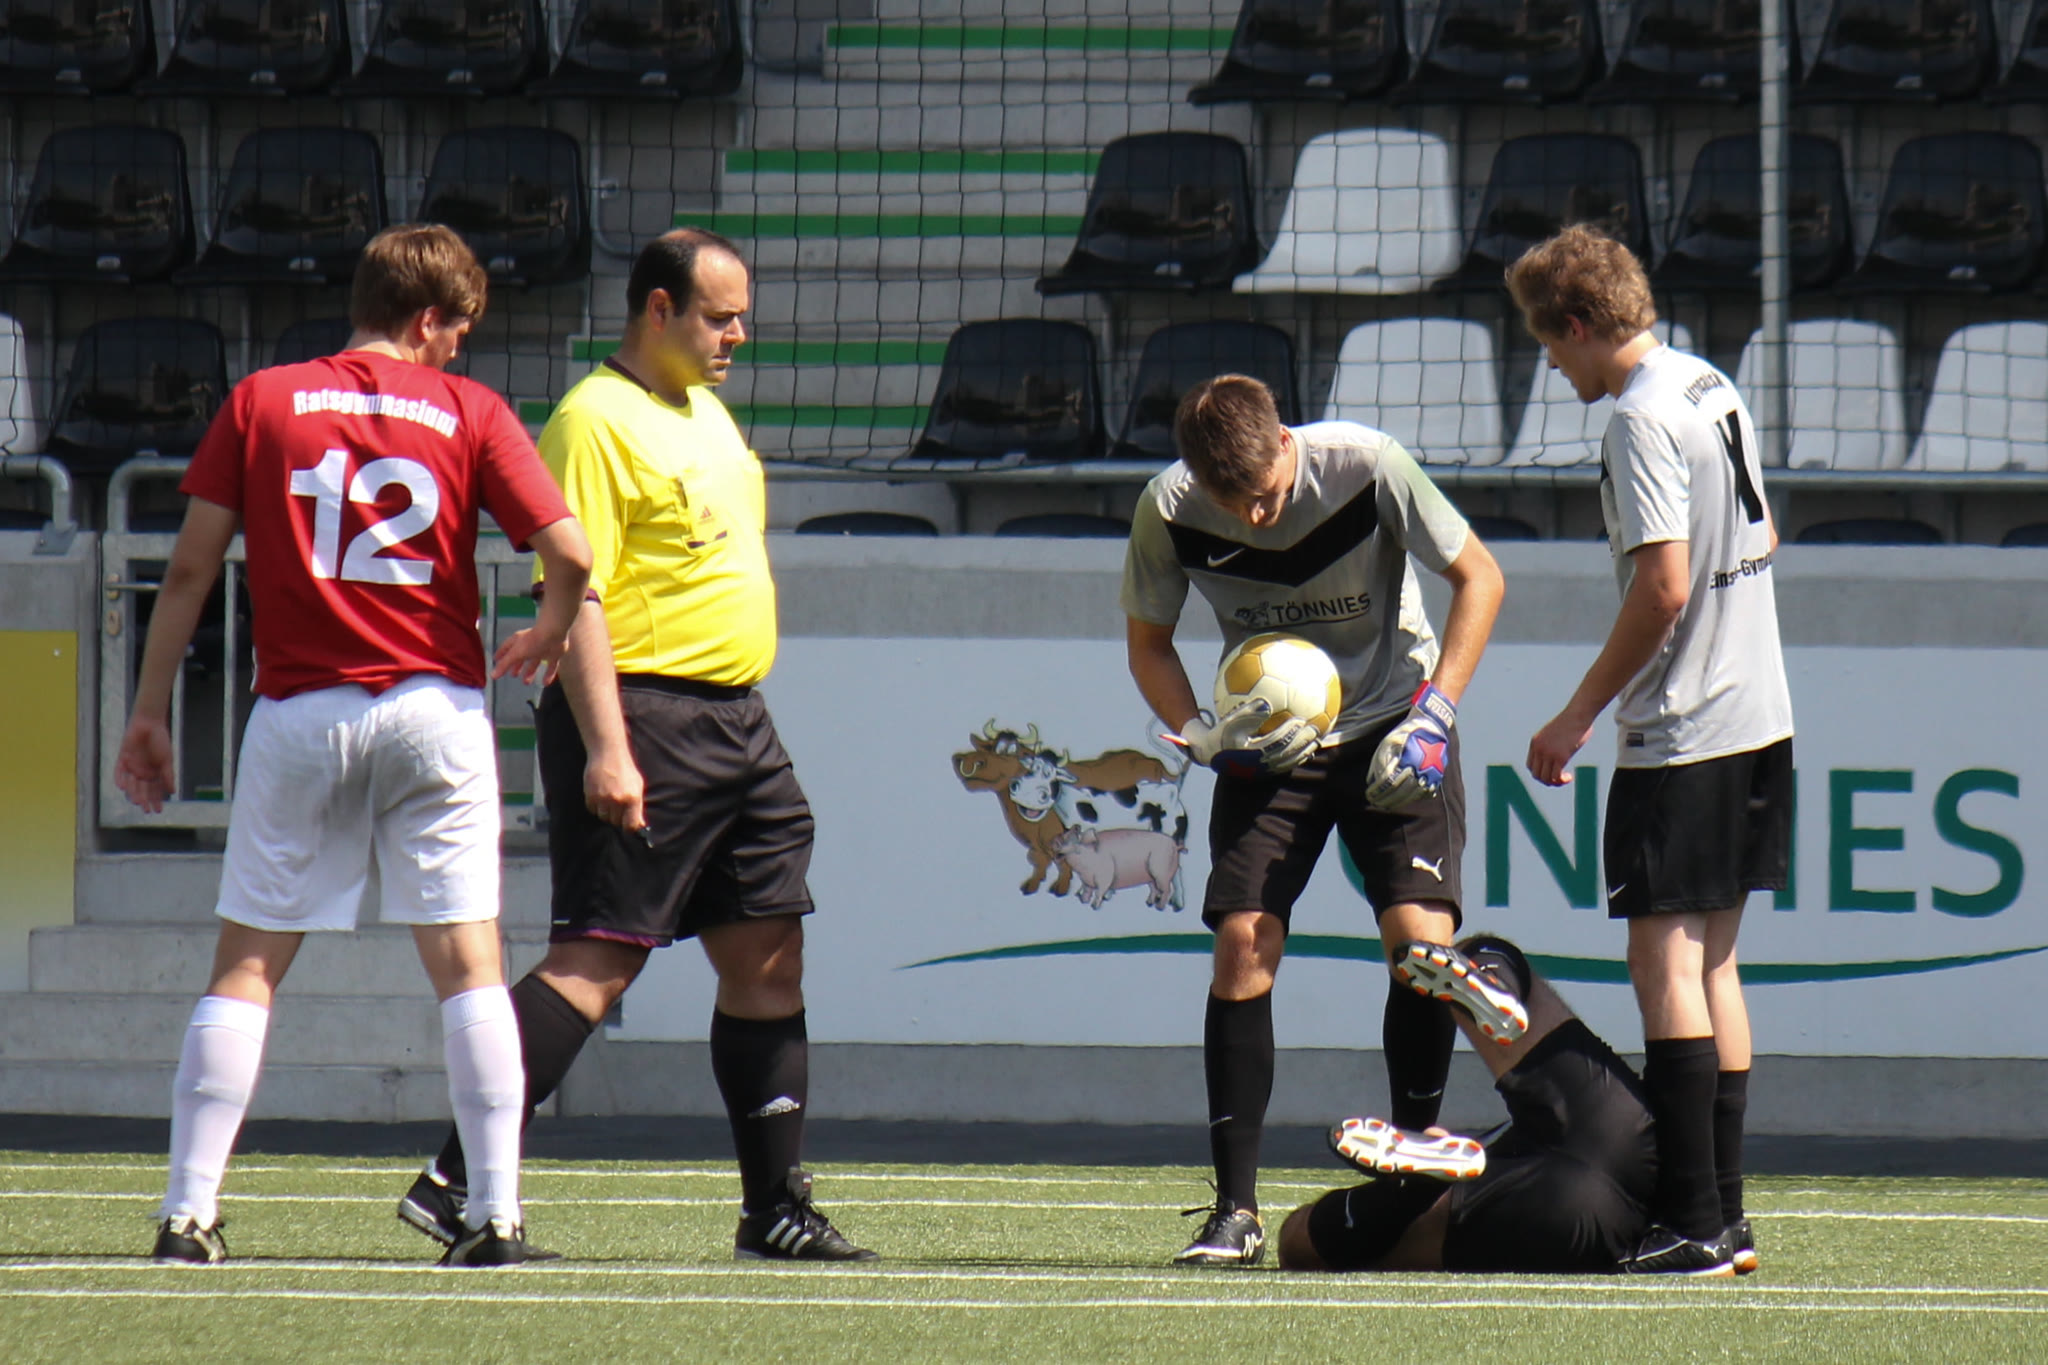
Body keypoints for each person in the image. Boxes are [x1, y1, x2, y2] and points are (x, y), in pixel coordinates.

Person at [115, 223, 593, 1267]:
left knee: (247, 963)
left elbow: (190, 570)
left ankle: (188, 1215)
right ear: (426, 319)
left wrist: (149, 709)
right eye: (457, 329)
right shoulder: (471, 410)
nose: (460, 348)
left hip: (300, 711)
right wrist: (553, 628)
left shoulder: (262, 399)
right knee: (471, 968)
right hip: (433, 709)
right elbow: (570, 551)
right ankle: (495, 1218)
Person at [394, 227, 874, 1263]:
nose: (737, 336)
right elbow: (577, 595)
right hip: (644, 717)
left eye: (741, 318)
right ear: (658, 309)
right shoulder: (590, 421)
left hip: (736, 719)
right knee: (598, 960)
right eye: (719, 317)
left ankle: (772, 1209)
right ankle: (456, 1177)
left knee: (768, 951)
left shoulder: (703, 408)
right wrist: (607, 747)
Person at [1122, 375, 1512, 1267]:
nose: (1255, 517)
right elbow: (1148, 643)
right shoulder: (1168, 507)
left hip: (1396, 726)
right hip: (1268, 744)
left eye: (1265, 495)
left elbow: (1480, 577)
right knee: (1241, 942)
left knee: (1423, 949)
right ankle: (1235, 1210)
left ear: (1284, 443)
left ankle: (1411, 1181)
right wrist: (1199, 732)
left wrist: (1437, 712)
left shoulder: (1368, 466)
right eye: (1234, 504)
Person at [1509, 224, 1792, 1275]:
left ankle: (1693, 1220)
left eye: (1549, 342)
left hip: (1684, 729)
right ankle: (1723, 1215)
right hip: (1759, 712)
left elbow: (1663, 587)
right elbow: (1762, 537)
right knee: (1714, 963)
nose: (1550, 364)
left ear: (1579, 324)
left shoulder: (1636, 416)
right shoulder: (1708, 381)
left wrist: (1577, 713)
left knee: (1663, 964)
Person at [1277, 936, 1703, 1276]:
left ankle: (1406, 1192)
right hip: (1630, 1149)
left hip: (1578, 1198)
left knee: (1297, 1243)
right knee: (1475, 950)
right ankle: (1496, 986)